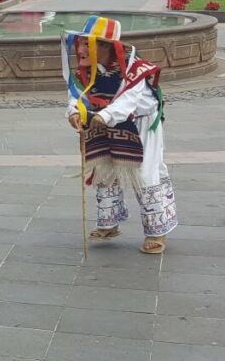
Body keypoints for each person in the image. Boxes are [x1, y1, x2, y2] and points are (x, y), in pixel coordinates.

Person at [64, 16, 177, 254]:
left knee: (145, 173)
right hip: (105, 120)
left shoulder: (134, 71)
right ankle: (109, 222)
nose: (81, 49)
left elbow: (128, 102)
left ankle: (157, 231)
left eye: (88, 44)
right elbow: (77, 95)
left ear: (106, 47)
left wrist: (101, 118)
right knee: (104, 169)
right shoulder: (85, 71)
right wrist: (74, 112)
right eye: (81, 43)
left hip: (140, 125)